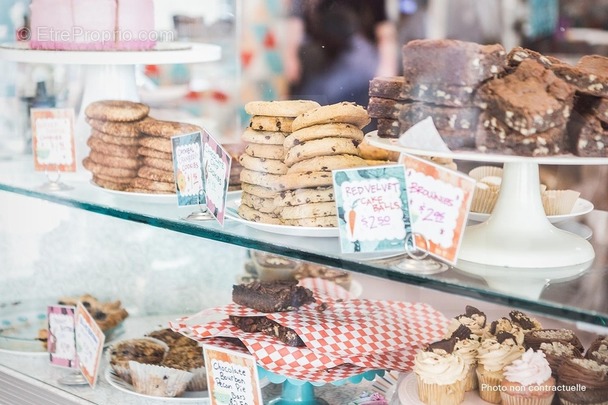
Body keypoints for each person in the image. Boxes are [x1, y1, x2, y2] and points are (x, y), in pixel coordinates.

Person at [284, 0, 398, 108]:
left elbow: (383, 28)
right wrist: (291, 57)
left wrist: (387, 66)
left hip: (355, 60)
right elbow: (296, 21)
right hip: (317, 62)